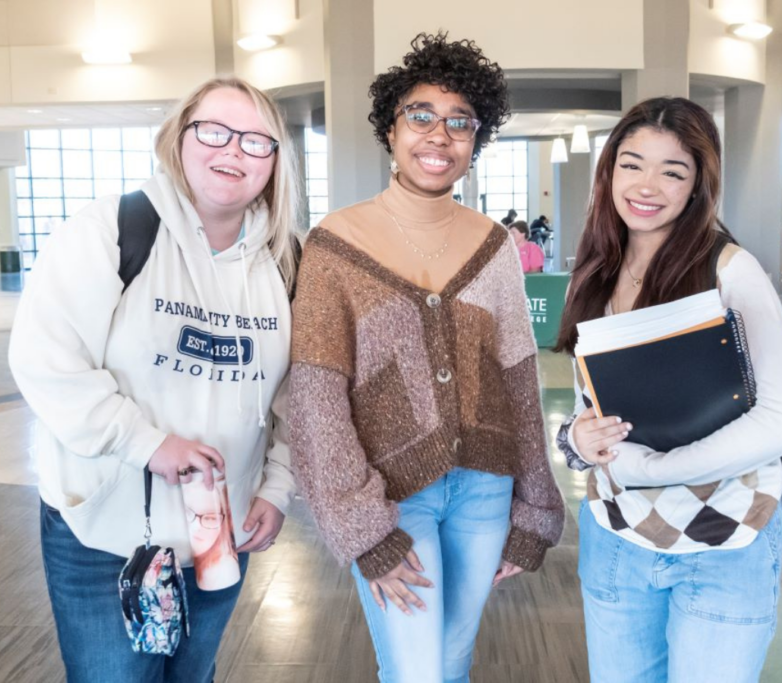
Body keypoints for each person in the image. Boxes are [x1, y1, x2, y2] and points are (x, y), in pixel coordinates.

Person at [290, 32, 564, 683]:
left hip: (485, 489)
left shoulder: (494, 246)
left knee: (452, 663)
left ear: (475, 140)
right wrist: (362, 526)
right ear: (391, 128)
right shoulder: (335, 243)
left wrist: (535, 508)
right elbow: (315, 395)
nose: (439, 136)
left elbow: (519, 381)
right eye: (421, 116)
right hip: (390, 492)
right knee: (416, 673)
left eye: (460, 122)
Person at [8, 76, 300, 683]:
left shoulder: (286, 261)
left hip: (222, 531)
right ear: (177, 138)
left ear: (275, 160)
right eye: (213, 131)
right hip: (105, 535)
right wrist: (147, 443)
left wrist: (277, 487)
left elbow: (299, 396)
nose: (233, 150)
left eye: (255, 140)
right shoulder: (110, 230)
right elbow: (46, 359)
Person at [553, 97, 782, 683]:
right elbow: (590, 408)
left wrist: (656, 469)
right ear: (609, 171)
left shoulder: (728, 270)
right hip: (617, 536)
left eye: (672, 171)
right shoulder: (593, 273)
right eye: (631, 164)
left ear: (698, 185)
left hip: (727, 539)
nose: (647, 186)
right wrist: (577, 440)